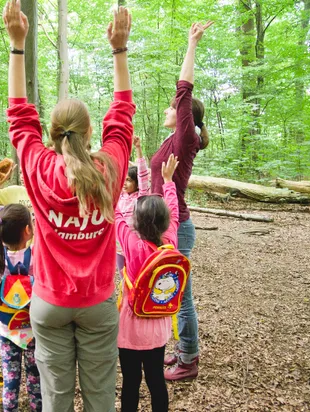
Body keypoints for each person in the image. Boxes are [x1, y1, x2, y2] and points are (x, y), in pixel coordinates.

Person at [3, 1, 135, 410]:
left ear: (51, 133)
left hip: (50, 304)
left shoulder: (39, 167)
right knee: (100, 400)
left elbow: (19, 117)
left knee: (56, 399)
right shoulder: (110, 168)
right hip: (96, 303)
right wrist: (119, 50)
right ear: (90, 131)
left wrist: (17, 45)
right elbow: (123, 115)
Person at [148, 21, 213, 381]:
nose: (169, 108)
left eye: (173, 106)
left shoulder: (184, 137)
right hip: (161, 224)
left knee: (181, 296)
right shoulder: (170, 140)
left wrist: (191, 43)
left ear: (185, 115)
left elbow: (184, 88)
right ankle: (178, 351)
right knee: (166, 291)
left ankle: (189, 358)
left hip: (178, 225)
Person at [116, 154, 180, 412]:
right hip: (158, 327)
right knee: (156, 382)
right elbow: (174, 212)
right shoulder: (170, 242)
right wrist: (168, 182)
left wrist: (112, 181)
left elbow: (115, 214)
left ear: (137, 223)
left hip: (130, 327)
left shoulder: (133, 245)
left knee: (130, 383)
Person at [0, 163, 42, 412]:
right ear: (29, 230)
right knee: (37, 385)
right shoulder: (39, 255)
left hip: (6, 328)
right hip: (34, 330)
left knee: (10, 383)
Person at [116, 135, 150, 274]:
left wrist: (138, 148)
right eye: (123, 179)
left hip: (135, 245)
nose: (124, 183)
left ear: (136, 182)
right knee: (122, 276)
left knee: (135, 275)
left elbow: (143, 174)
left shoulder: (141, 197)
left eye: (129, 180)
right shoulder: (119, 196)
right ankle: (125, 295)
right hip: (118, 246)